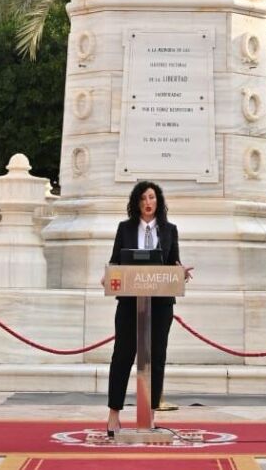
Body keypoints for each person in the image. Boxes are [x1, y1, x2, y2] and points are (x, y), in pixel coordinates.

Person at [103, 181, 192, 435]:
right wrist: (108, 275)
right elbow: (114, 262)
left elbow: (174, 263)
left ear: (158, 201)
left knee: (157, 358)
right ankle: (113, 415)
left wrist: (180, 272)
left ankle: (150, 415)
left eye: (152, 197)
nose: (147, 202)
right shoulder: (125, 228)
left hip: (160, 305)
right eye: (143, 198)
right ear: (137, 203)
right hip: (130, 303)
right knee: (122, 356)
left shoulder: (169, 230)